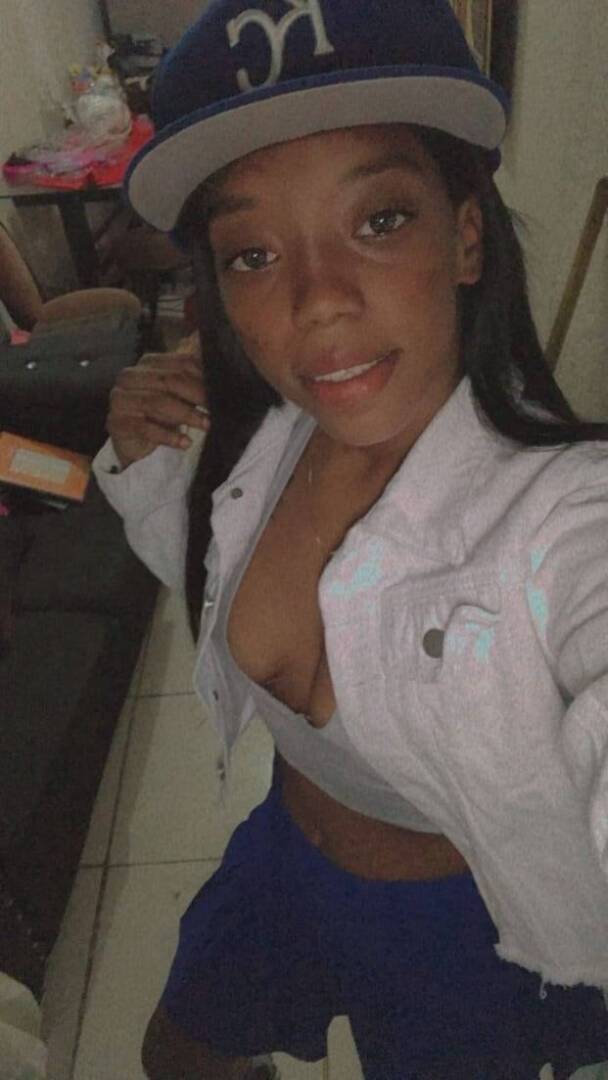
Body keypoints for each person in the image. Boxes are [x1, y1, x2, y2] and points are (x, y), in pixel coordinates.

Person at [94, 1, 608, 1077]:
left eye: (378, 220)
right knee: (174, 1058)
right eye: (253, 253)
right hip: (285, 857)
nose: (318, 300)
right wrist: (147, 459)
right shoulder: (268, 438)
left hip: (461, 936)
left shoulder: (563, 520)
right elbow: (216, 573)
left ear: (465, 235)